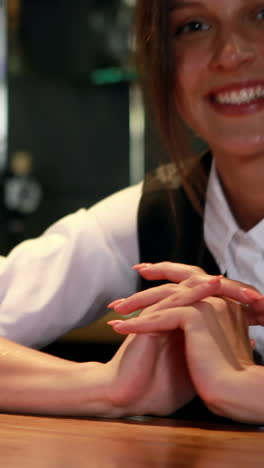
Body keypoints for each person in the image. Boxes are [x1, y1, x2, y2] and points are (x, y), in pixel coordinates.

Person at [0, 0, 263, 422]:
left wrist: (244, 388)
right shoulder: (155, 212)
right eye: (193, 25)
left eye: (262, 14)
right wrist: (107, 388)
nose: (231, 53)